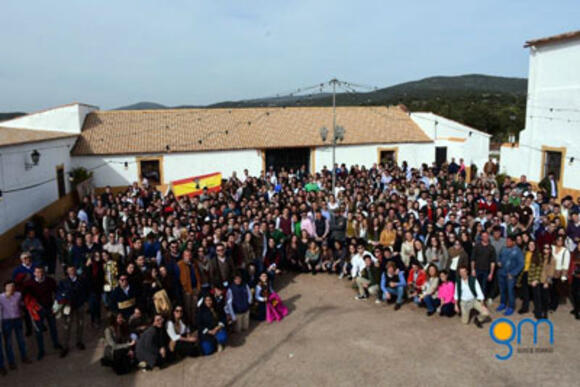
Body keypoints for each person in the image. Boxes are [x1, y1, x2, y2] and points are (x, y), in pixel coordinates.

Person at [23, 266, 62, 360]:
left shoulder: (50, 281)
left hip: (49, 308)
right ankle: (41, 350)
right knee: (38, 331)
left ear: (43, 272)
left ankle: (56, 344)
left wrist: (57, 302)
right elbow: (25, 296)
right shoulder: (29, 284)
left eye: (41, 272)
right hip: (37, 310)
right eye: (37, 272)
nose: (39, 274)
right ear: (34, 273)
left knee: (53, 327)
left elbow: (57, 291)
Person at [57, 265, 89, 357]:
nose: (72, 271)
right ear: (67, 271)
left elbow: (87, 290)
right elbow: (59, 293)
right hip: (68, 306)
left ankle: (79, 341)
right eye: (70, 270)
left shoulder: (82, 279)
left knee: (80, 324)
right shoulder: (63, 282)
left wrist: (84, 300)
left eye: (73, 270)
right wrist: (63, 298)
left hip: (79, 305)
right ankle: (65, 346)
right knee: (67, 326)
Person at [0, 281, 32, 370]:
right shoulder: (1, 298)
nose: (11, 288)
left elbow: (21, 304)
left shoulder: (18, 295)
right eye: (9, 287)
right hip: (6, 321)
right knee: (9, 343)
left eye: (13, 286)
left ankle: (24, 357)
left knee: (21, 340)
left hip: (17, 320)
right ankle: (11, 362)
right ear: (5, 288)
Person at [496, 235, 524, 316]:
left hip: (510, 275)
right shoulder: (504, 248)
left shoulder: (518, 251)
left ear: (513, 242)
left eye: (509, 241)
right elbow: (499, 257)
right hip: (501, 273)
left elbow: (521, 264)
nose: (507, 243)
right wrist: (498, 262)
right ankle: (503, 303)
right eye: (506, 241)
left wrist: (513, 273)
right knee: (502, 290)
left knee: (510, 291)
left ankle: (511, 307)